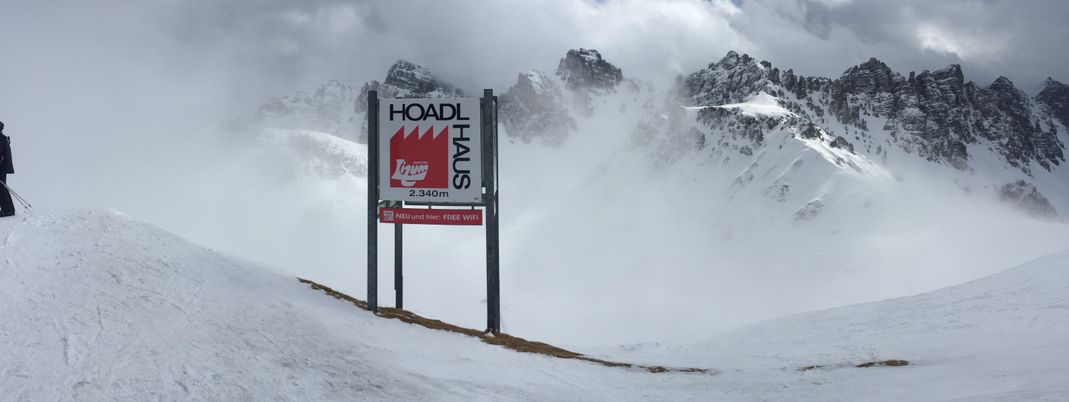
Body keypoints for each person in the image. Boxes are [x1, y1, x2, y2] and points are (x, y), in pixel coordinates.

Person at [0, 121, 14, 217]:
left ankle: (8, 210)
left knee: (2, 187)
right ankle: (6, 209)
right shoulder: (3, 138)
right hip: (3, 167)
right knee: (2, 187)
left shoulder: (1, 138)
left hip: (1, 167)